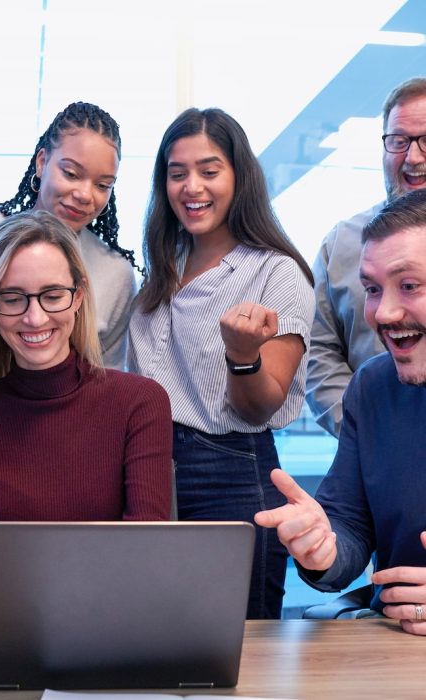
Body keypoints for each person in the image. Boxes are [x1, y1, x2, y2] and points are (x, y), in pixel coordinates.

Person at [0, 211, 173, 621]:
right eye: (12, 297)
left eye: (52, 295)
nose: (34, 317)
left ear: (78, 297)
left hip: (109, 632)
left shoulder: (139, 404)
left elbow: (142, 552)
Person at [128, 107, 315, 619]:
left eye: (209, 171)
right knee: (151, 638)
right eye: (177, 172)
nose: (192, 186)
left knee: (237, 650)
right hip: (149, 467)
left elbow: (259, 408)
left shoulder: (276, 274)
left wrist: (241, 355)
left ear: (239, 177)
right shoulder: (162, 268)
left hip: (230, 471)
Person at [256, 188, 426, 636]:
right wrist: (323, 547)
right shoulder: (372, 387)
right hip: (395, 650)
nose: (383, 313)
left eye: (409, 286)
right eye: (372, 289)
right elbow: (349, 523)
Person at [0, 101, 138, 415]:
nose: (86, 194)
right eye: (72, 173)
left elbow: (104, 385)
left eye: (103, 185)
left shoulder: (115, 274)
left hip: (57, 446)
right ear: (42, 162)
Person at [307, 76, 426, 437]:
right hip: (370, 463)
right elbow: (318, 352)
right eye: (399, 141)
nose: (413, 157)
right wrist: (367, 431)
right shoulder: (342, 243)